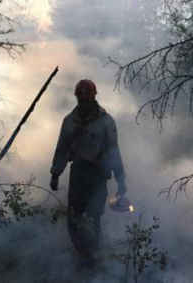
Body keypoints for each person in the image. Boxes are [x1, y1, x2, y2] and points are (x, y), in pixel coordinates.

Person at [50, 79, 127, 257]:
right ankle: (81, 249)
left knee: (94, 214)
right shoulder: (69, 121)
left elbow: (113, 151)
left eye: (86, 99)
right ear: (76, 98)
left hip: (98, 173)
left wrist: (120, 179)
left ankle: (93, 252)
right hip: (78, 172)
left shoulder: (106, 121)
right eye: (80, 99)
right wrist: (55, 173)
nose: (83, 103)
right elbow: (62, 148)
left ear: (93, 98)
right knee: (74, 213)